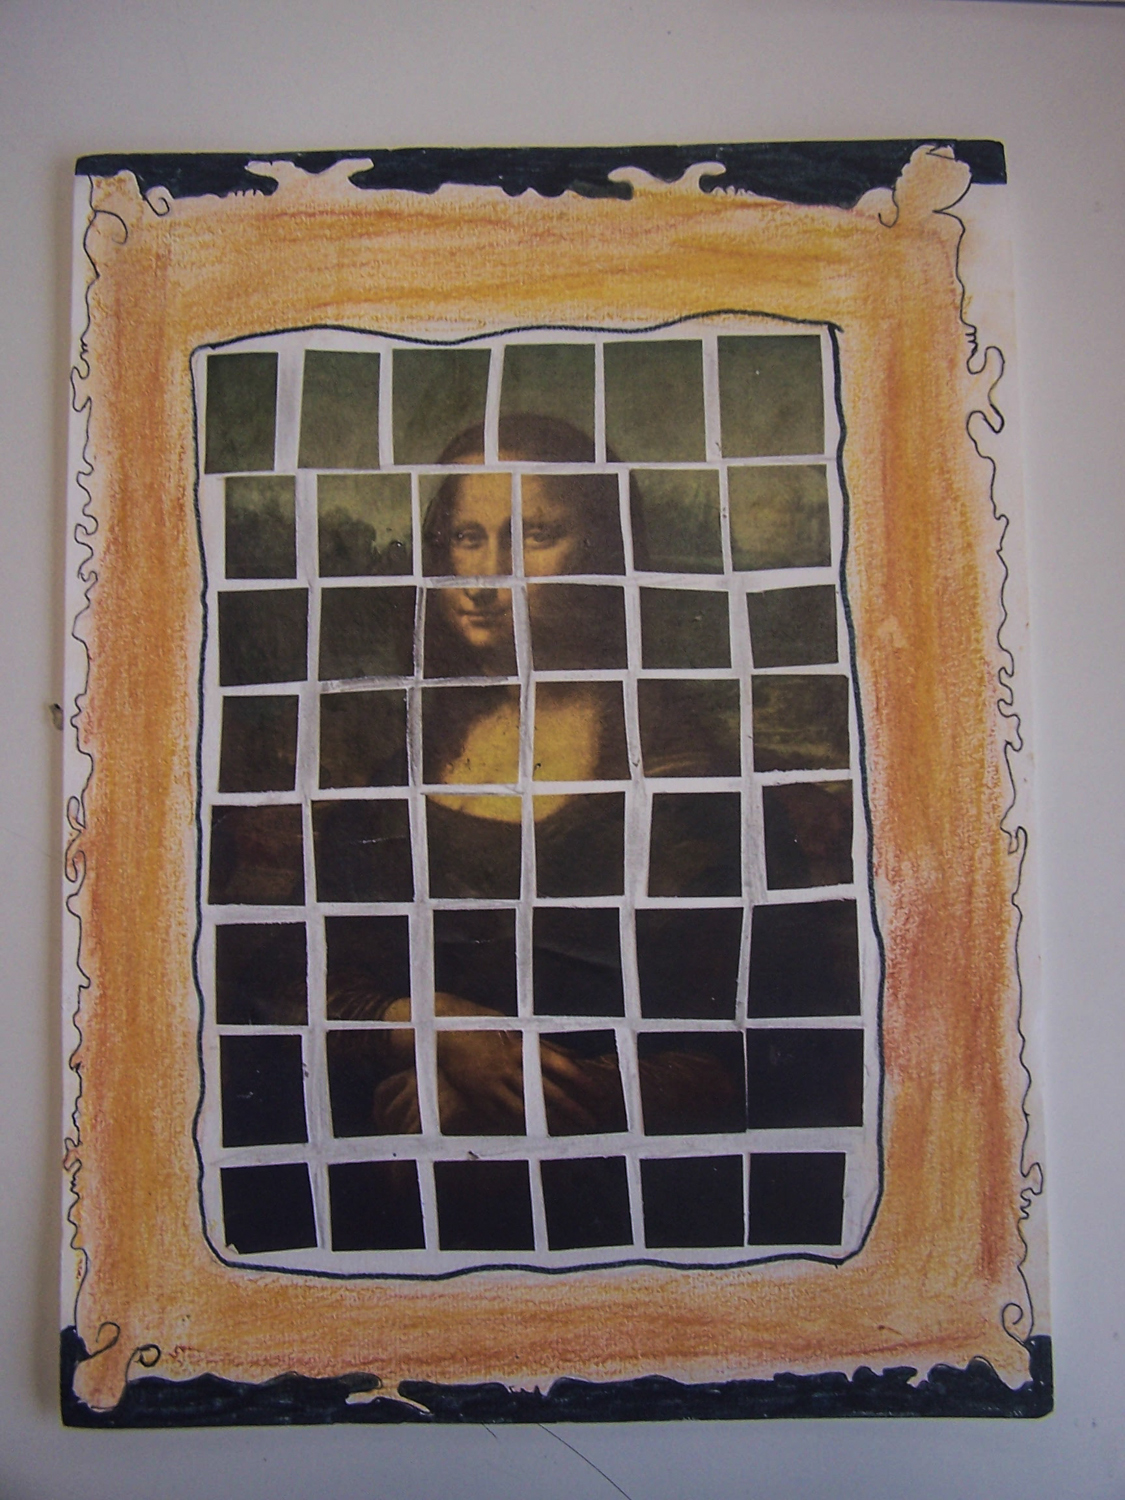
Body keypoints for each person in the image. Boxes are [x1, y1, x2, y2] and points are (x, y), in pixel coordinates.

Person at [332, 414, 742, 1139]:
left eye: (534, 535)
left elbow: (743, 1049)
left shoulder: (679, 782)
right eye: (467, 537)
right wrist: (430, 1027)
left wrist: (516, 1099)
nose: (487, 576)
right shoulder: (412, 764)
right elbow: (297, 977)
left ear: (602, 550)